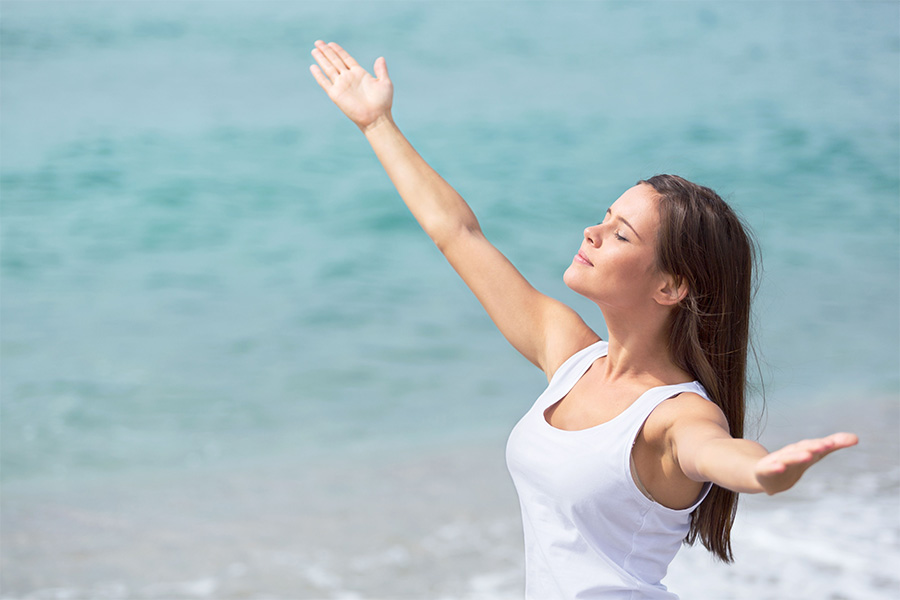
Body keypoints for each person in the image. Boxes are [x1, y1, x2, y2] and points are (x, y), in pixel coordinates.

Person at [309, 40, 858, 599]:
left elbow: (714, 451)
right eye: (604, 217)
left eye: (622, 234)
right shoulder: (570, 355)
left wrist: (762, 472)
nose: (592, 233)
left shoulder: (675, 415)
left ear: (671, 286)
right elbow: (458, 234)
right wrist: (377, 123)